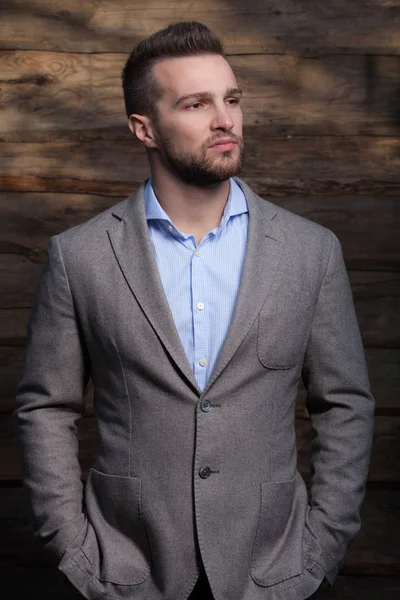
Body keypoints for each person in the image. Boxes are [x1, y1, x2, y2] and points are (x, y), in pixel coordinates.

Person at [14, 21, 374, 600]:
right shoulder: (79, 256)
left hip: (277, 572)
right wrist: (73, 547)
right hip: (127, 572)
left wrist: (321, 547)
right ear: (144, 128)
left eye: (231, 99)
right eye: (196, 103)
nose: (225, 119)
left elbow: (346, 404)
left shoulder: (311, 252)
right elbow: (45, 407)